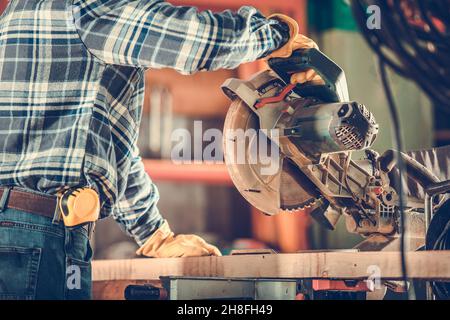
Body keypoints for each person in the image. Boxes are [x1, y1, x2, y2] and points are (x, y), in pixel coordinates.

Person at [0, 0, 319, 299]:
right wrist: (276, 35)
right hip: (37, 233)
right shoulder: (88, 8)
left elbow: (110, 150)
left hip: (26, 228)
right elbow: (190, 40)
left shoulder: (22, 10)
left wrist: (154, 235)